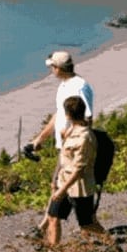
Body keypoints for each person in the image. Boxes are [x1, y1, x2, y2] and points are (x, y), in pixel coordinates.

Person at [25, 51, 94, 236]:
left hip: (72, 149)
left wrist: (72, 138)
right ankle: (46, 228)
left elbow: (87, 118)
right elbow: (58, 115)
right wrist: (40, 139)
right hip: (64, 147)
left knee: (61, 188)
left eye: (52, 67)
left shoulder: (79, 87)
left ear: (58, 68)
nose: (50, 70)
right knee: (56, 186)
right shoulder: (64, 86)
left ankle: (47, 229)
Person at [45, 96, 107, 252]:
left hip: (80, 188)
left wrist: (61, 190)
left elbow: (79, 169)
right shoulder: (71, 130)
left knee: (87, 224)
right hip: (63, 182)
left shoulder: (84, 137)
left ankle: (111, 244)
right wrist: (56, 181)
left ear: (68, 114)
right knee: (53, 217)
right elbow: (64, 159)